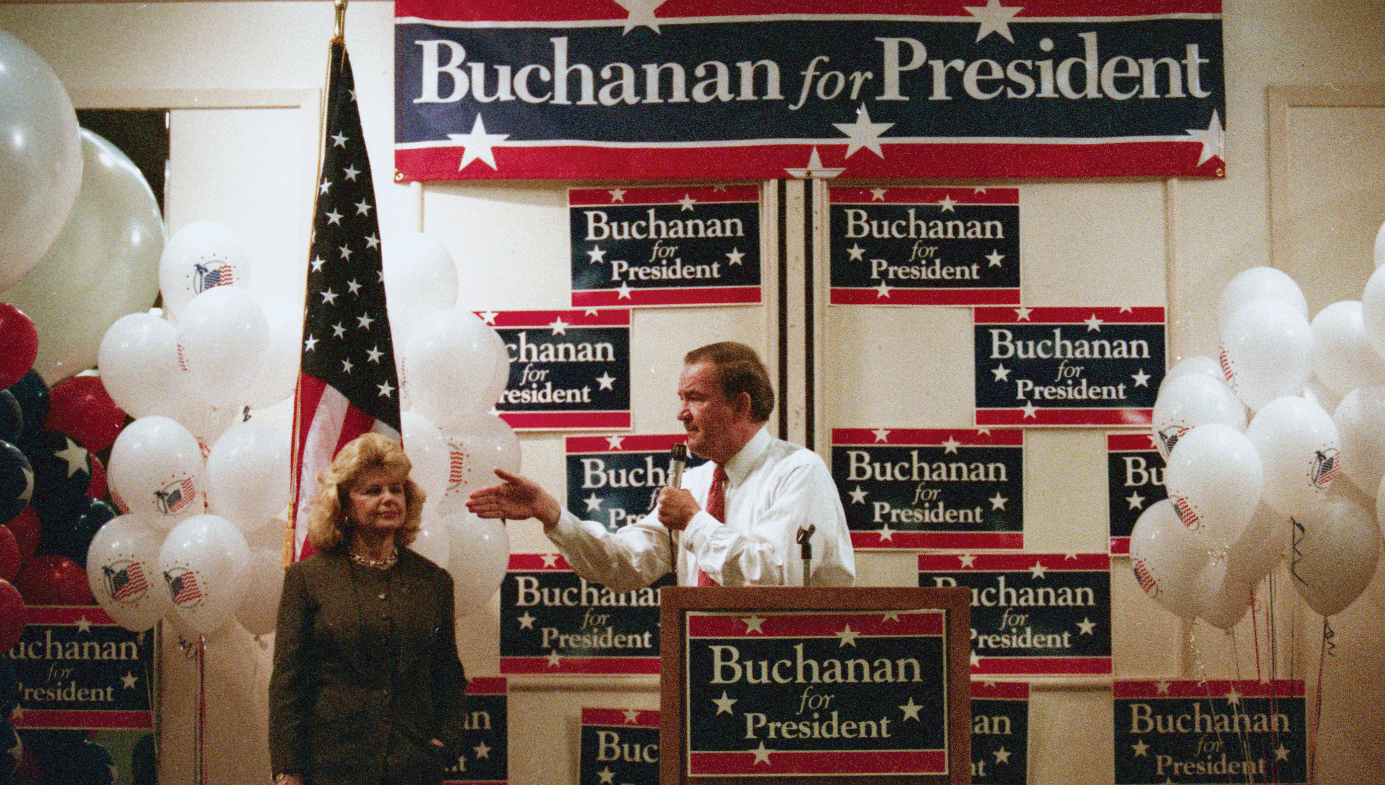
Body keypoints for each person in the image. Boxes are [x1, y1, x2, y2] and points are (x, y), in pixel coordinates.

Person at [468, 341, 854, 590]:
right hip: (705, 666)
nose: (681, 414)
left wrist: (694, 522)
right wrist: (550, 513)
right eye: (681, 398)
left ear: (741, 406)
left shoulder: (798, 471)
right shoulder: (698, 483)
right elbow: (623, 566)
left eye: (695, 398)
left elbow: (774, 581)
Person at [269, 432, 468, 785]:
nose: (388, 499)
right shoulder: (308, 578)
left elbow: (447, 673)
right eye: (373, 491)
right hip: (329, 768)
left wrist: (443, 741)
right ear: (344, 506)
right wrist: (288, 769)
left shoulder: (434, 580)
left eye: (396, 489)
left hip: (414, 768)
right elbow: (289, 683)